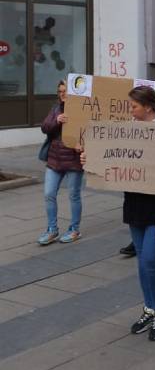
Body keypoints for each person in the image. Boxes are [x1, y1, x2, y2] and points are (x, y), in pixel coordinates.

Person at [81, 87, 155, 341]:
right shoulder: (128, 128)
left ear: (148, 107)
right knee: (141, 259)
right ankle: (149, 309)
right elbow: (111, 157)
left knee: (151, 259)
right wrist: (89, 159)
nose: (130, 110)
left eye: (133, 106)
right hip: (135, 201)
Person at [38, 80, 84, 246]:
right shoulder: (56, 108)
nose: (62, 94)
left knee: (74, 195)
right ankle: (52, 229)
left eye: (65, 91)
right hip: (54, 158)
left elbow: (92, 132)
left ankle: (74, 229)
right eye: (60, 91)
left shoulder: (82, 109)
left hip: (73, 160)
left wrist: (83, 146)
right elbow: (44, 127)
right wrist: (56, 120)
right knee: (49, 194)